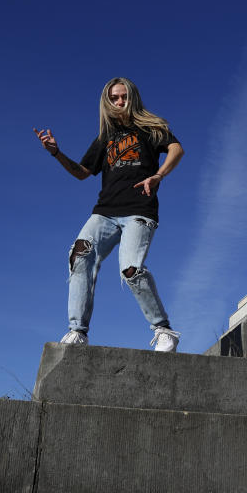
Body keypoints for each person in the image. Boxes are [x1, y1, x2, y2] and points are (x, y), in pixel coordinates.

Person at [35, 77, 185, 352]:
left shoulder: (150, 127)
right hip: (105, 212)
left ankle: (164, 330)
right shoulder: (104, 138)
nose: (119, 102)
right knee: (80, 253)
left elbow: (177, 149)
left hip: (139, 210)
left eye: (123, 97)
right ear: (107, 102)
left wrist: (158, 175)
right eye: (114, 98)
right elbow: (82, 173)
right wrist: (56, 153)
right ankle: (77, 331)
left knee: (131, 270)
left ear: (133, 98)